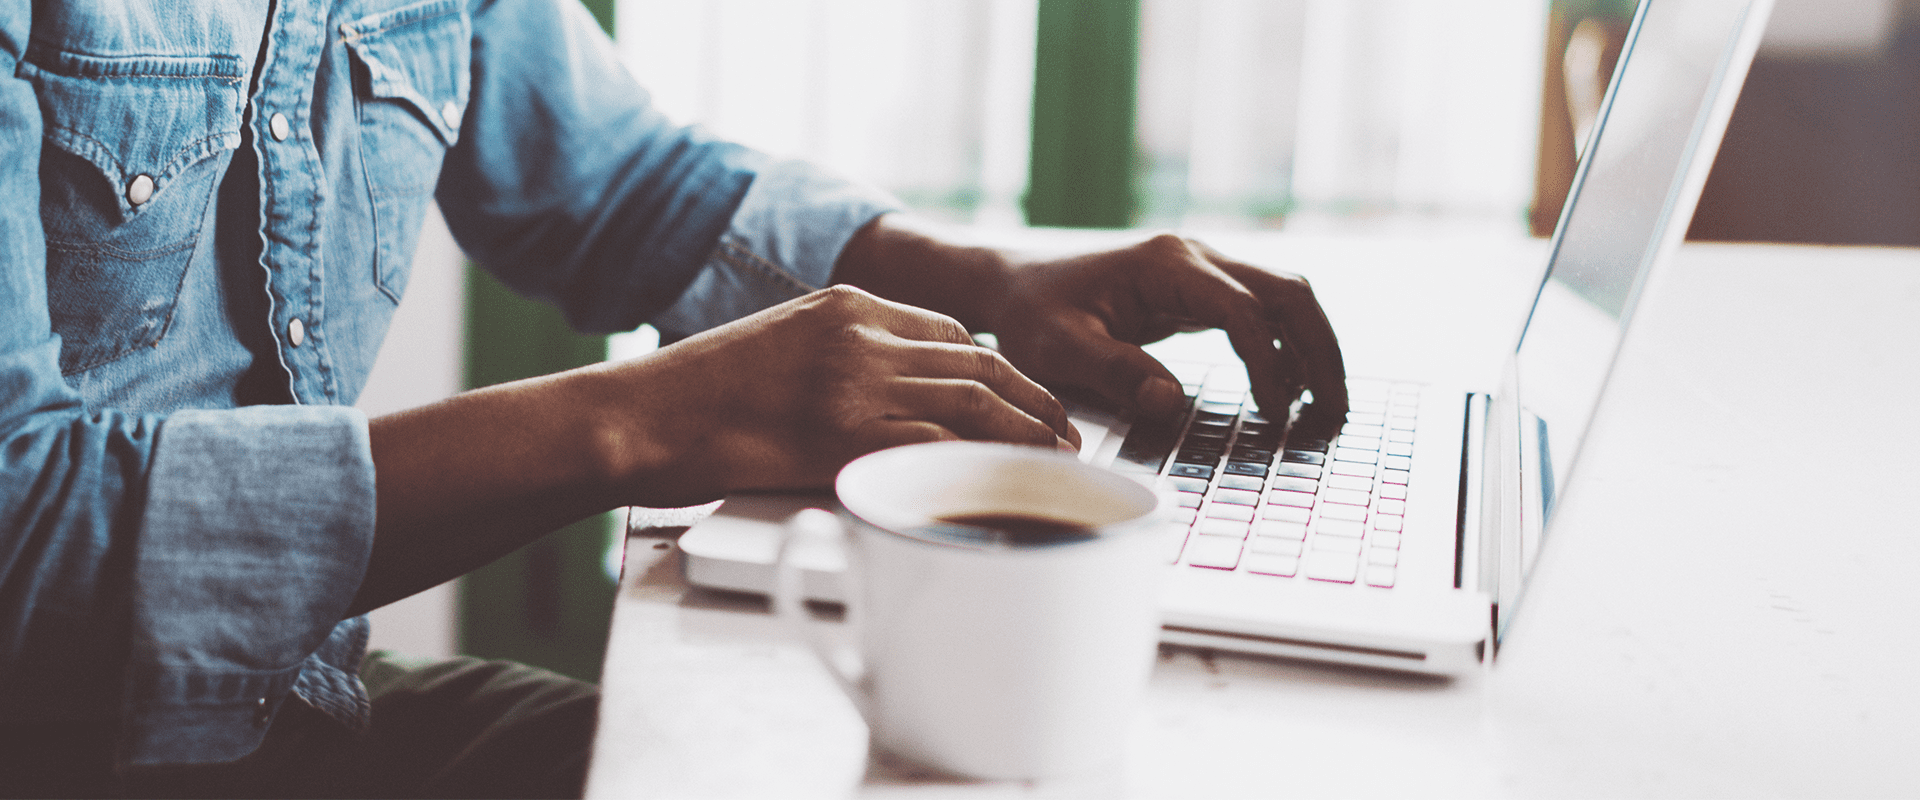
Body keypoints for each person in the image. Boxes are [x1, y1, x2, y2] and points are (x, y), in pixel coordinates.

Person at [0, 0, 1346, 796]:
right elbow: (22, 545)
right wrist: (648, 418)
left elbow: (622, 184)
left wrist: (994, 284)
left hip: (295, 710)